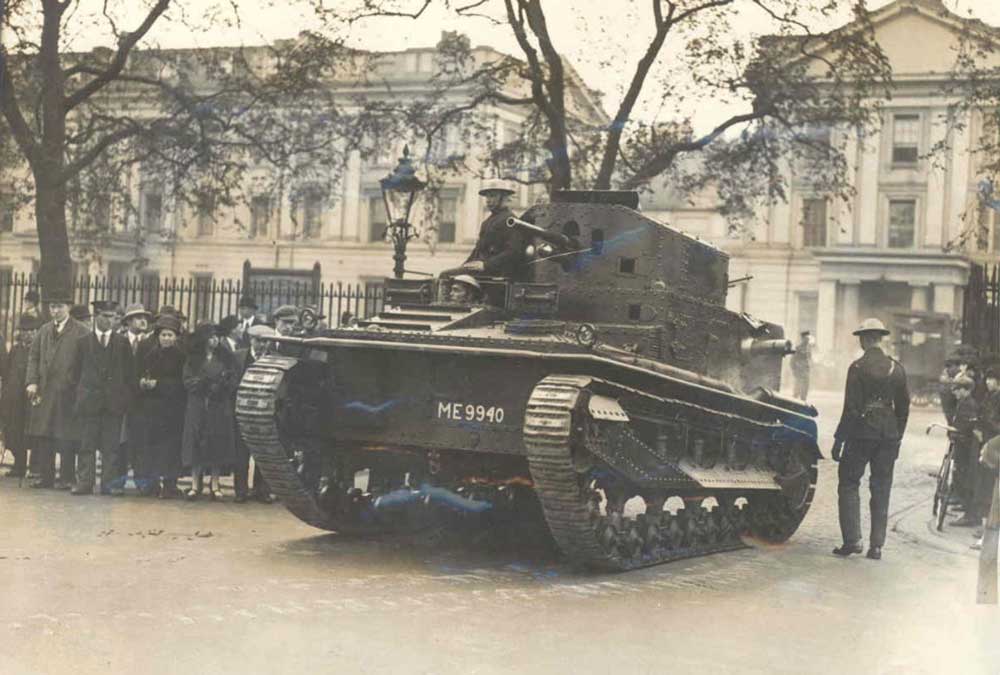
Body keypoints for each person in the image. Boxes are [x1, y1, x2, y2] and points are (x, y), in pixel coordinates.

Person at [831, 318, 910, 561]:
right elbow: (904, 408)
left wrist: (839, 440)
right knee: (881, 487)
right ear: (881, 339)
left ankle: (852, 540)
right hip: (888, 435)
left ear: (864, 339)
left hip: (861, 433)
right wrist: (897, 438)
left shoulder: (856, 368)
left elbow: (850, 408)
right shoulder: (897, 368)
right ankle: (876, 546)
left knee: (848, 482)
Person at [26, 287, 89, 489]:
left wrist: (79, 387)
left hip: (68, 392)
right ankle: (46, 477)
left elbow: (87, 363)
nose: (55, 311)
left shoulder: (81, 332)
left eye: (59, 306)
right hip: (45, 390)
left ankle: (67, 477)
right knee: (45, 435)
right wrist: (32, 382)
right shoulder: (44, 330)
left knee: (67, 436)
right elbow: (33, 356)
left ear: (68, 307)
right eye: (52, 307)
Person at [73, 301, 135, 496]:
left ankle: (109, 484)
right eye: (106, 316)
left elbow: (129, 375)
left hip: (113, 404)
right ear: (96, 316)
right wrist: (83, 394)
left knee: (111, 447)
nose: (111, 320)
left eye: (113, 316)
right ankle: (85, 483)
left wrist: (122, 399)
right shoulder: (82, 342)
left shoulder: (122, 343)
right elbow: (74, 373)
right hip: (89, 403)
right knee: (86, 445)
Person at [182, 322, 239, 500]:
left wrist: (220, 387)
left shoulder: (226, 357)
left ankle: (215, 484)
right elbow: (187, 380)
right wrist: (201, 384)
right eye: (210, 337)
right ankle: (194, 484)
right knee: (196, 444)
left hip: (218, 406)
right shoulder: (193, 359)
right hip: (198, 405)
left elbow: (232, 380)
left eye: (216, 336)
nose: (214, 340)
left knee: (216, 444)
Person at [135, 314, 187, 499]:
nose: (166, 339)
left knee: (170, 449)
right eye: (163, 335)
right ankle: (152, 483)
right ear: (158, 336)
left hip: (172, 410)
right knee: (152, 447)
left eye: (170, 335)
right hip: (152, 410)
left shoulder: (181, 357)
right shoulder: (149, 354)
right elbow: (139, 373)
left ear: (176, 337)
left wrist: (159, 384)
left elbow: (182, 384)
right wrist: (142, 382)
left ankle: (170, 485)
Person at [442, 180, 527, 280]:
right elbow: (478, 249)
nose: (488, 200)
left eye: (492, 196)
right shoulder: (488, 221)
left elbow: (514, 252)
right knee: (450, 276)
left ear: (504, 197)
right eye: (487, 196)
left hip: (498, 272)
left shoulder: (511, 220)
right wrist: (464, 265)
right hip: (484, 269)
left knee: (446, 276)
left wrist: (486, 265)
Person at [232, 324, 275, 503]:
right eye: (259, 341)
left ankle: (261, 490)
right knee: (240, 454)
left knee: (262, 453)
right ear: (251, 340)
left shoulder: (274, 359)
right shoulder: (238, 357)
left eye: (266, 341)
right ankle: (240, 490)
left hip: (264, 415)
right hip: (241, 413)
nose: (262, 345)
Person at [1, 315, 40, 478]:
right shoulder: (16, 349)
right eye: (25, 331)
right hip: (14, 398)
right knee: (14, 431)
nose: (28, 334)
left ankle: (35, 467)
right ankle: (19, 465)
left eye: (31, 330)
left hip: (29, 398)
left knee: (30, 433)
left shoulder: (38, 349)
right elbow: (7, 371)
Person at [120, 303, 154, 491]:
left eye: (145, 318)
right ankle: (119, 480)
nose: (143, 321)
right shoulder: (119, 340)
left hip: (144, 401)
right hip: (123, 400)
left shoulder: (150, 342)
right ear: (128, 321)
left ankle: (143, 482)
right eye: (138, 317)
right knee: (122, 442)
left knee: (142, 442)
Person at [790, 331, 812, 400]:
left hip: (806, 371)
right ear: (802, 339)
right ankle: (794, 402)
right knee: (797, 388)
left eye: (808, 338)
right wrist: (794, 371)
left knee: (805, 388)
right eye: (806, 338)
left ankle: (803, 400)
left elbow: (809, 359)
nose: (808, 340)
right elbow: (792, 360)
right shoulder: (798, 348)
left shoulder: (809, 348)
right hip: (799, 371)